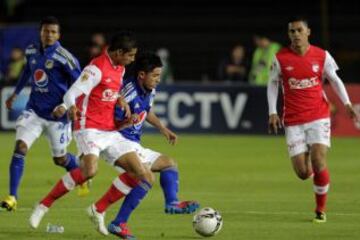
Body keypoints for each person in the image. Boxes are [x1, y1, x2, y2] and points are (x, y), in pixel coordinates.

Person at [29, 31, 154, 233]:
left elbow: (114, 88)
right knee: (89, 171)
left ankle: (99, 210)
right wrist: (70, 107)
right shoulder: (96, 69)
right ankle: (43, 205)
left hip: (111, 131)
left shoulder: (120, 68)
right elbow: (71, 94)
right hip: (89, 128)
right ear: (119, 52)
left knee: (142, 174)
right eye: (130, 55)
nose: (132, 60)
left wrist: (120, 98)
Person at [86, 52, 199, 239]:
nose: (158, 80)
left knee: (169, 163)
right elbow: (108, 119)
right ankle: (119, 223)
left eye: (159, 76)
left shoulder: (150, 90)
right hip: (115, 140)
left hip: (131, 143)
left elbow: (147, 111)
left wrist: (163, 129)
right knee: (145, 177)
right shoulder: (126, 92)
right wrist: (124, 122)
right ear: (141, 75)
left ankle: (171, 203)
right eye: (154, 76)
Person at [267, 17, 359, 223]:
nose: (296, 35)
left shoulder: (322, 56)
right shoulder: (280, 58)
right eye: (292, 32)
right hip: (293, 120)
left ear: (308, 32)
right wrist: (272, 111)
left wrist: (346, 103)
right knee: (302, 172)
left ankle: (320, 209)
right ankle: (316, 172)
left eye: (299, 30)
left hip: (318, 116)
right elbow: (272, 84)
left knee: (318, 160)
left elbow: (335, 79)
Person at [1, 16, 81, 211]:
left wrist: (66, 105)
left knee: (59, 159)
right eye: (46, 31)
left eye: (53, 32)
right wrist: (15, 93)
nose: (49, 35)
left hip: (57, 117)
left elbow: (80, 85)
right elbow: (27, 72)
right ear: (40, 32)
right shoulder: (31, 51)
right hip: (34, 111)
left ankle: (81, 172)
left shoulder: (65, 57)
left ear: (59, 35)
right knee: (20, 148)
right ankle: (12, 197)